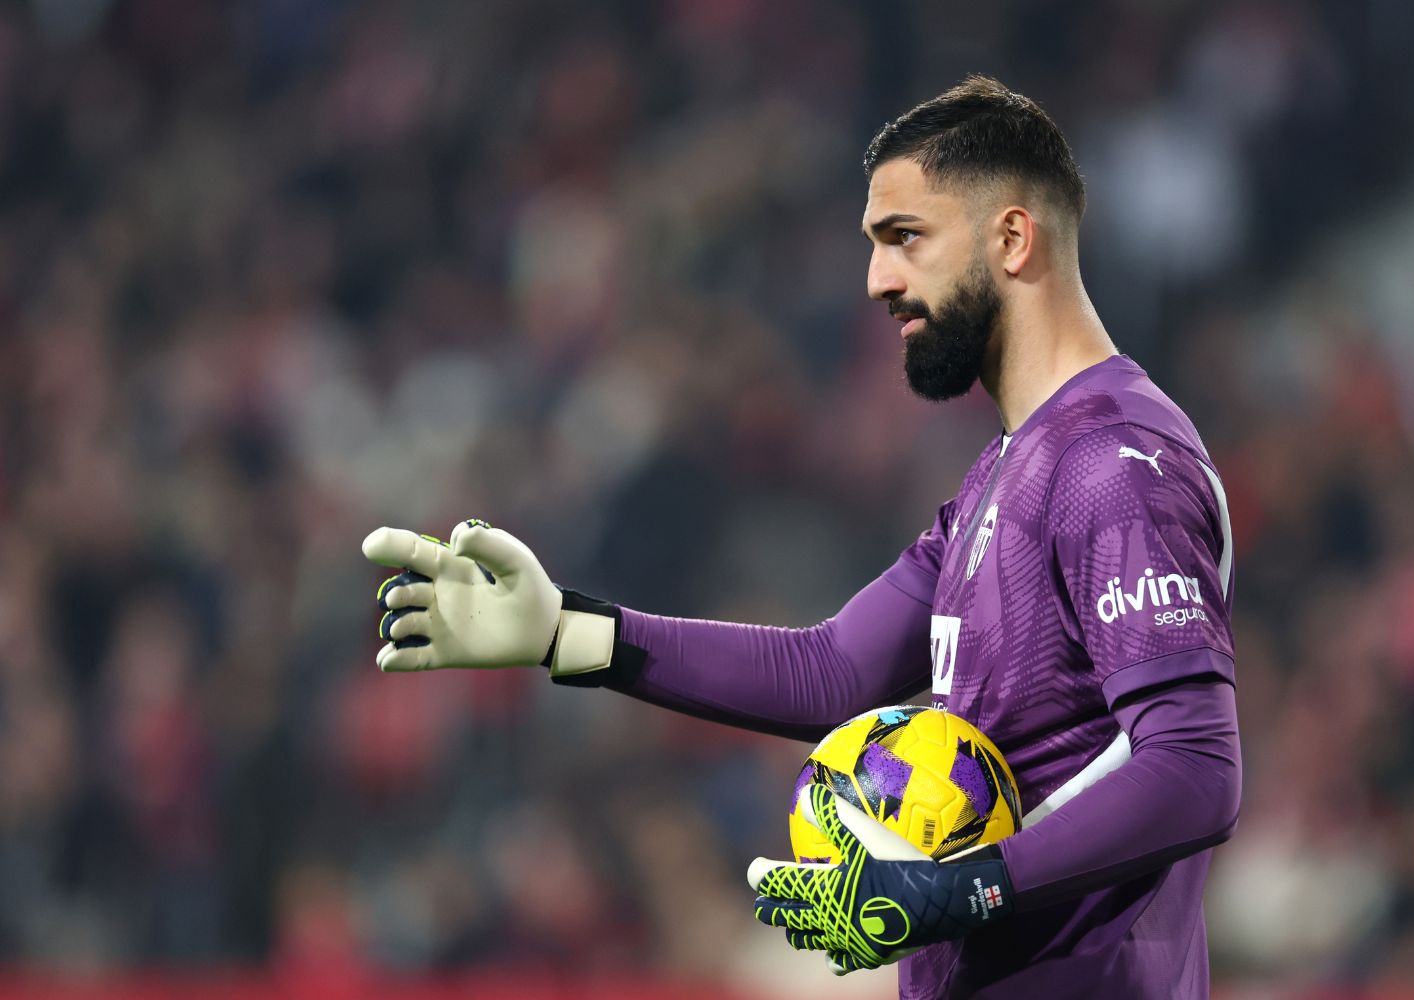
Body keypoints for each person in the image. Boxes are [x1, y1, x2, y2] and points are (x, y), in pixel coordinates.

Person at [362, 75, 1241, 1000]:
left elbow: (1193, 768)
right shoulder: (1005, 472)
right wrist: (565, 634)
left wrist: (957, 890)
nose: (877, 281)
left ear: (1012, 238)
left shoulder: (1112, 458)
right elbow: (832, 670)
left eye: (906, 239)